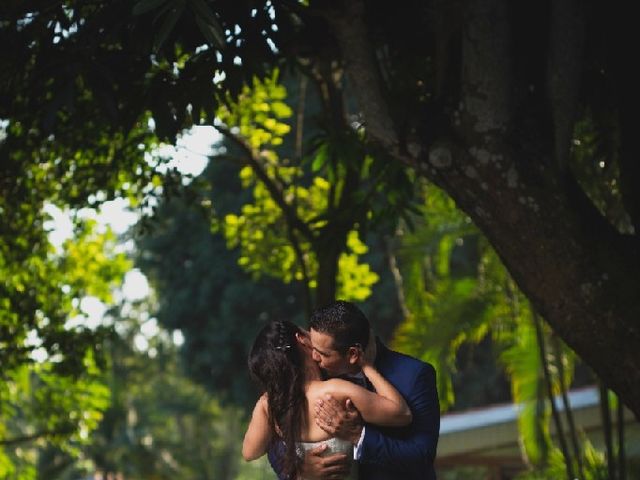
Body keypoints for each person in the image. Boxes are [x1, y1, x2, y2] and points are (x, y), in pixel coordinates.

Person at [242, 319, 412, 480]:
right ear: (301, 339)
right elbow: (402, 414)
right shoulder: (334, 390)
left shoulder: (270, 406)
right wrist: (367, 366)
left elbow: (250, 452)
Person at [302, 300, 440, 480]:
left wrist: (358, 435)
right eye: (313, 349)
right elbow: (275, 430)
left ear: (353, 354)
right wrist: (300, 469)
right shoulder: (316, 374)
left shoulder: (415, 375)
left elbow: (422, 456)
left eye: (323, 354)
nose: (314, 357)